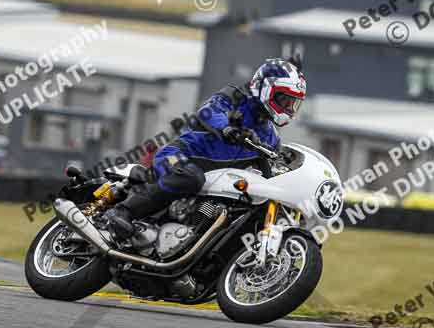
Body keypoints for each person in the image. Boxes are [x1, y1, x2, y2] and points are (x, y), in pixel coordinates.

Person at [104, 56, 307, 240]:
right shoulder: (235, 98)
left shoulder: (270, 138)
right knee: (190, 177)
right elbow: (209, 111)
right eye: (284, 99)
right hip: (178, 157)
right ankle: (123, 211)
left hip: (213, 186)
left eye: (293, 103)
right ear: (264, 88)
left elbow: (269, 173)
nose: (288, 108)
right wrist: (228, 129)